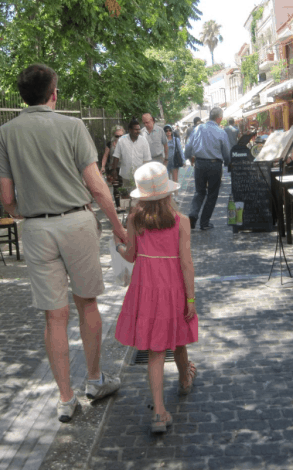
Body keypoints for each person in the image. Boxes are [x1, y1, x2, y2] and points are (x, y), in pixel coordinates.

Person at [0, 63, 127, 423]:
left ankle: (65, 399)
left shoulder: (5, 133)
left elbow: (7, 197)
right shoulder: (72, 126)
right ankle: (95, 381)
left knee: (54, 317)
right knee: (87, 304)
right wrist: (117, 226)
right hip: (77, 222)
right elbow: (97, 186)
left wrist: (28, 211)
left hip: (37, 229)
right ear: (54, 94)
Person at [113, 162, 198, 433]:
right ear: (167, 193)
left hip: (145, 288)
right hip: (173, 287)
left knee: (155, 350)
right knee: (179, 337)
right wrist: (191, 299)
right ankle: (185, 379)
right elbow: (186, 263)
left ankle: (159, 412)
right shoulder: (181, 220)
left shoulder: (135, 219)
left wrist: (118, 246)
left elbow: (130, 255)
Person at [185, 107, 231, 231]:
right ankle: (204, 222)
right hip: (214, 165)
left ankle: (193, 215)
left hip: (199, 163)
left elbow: (188, 147)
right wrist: (228, 163)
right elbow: (226, 152)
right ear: (219, 118)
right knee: (212, 194)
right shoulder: (221, 132)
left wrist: (189, 159)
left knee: (199, 192)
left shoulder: (198, 128)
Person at [112, 118, 151, 187]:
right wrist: (114, 172)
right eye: (136, 129)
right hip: (126, 175)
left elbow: (147, 159)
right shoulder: (122, 140)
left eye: (139, 129)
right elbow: (116, 157)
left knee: (140, 196)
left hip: (140, 176)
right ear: (130, 130)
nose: (138, 131)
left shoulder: (143, 141)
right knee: (127, 195)